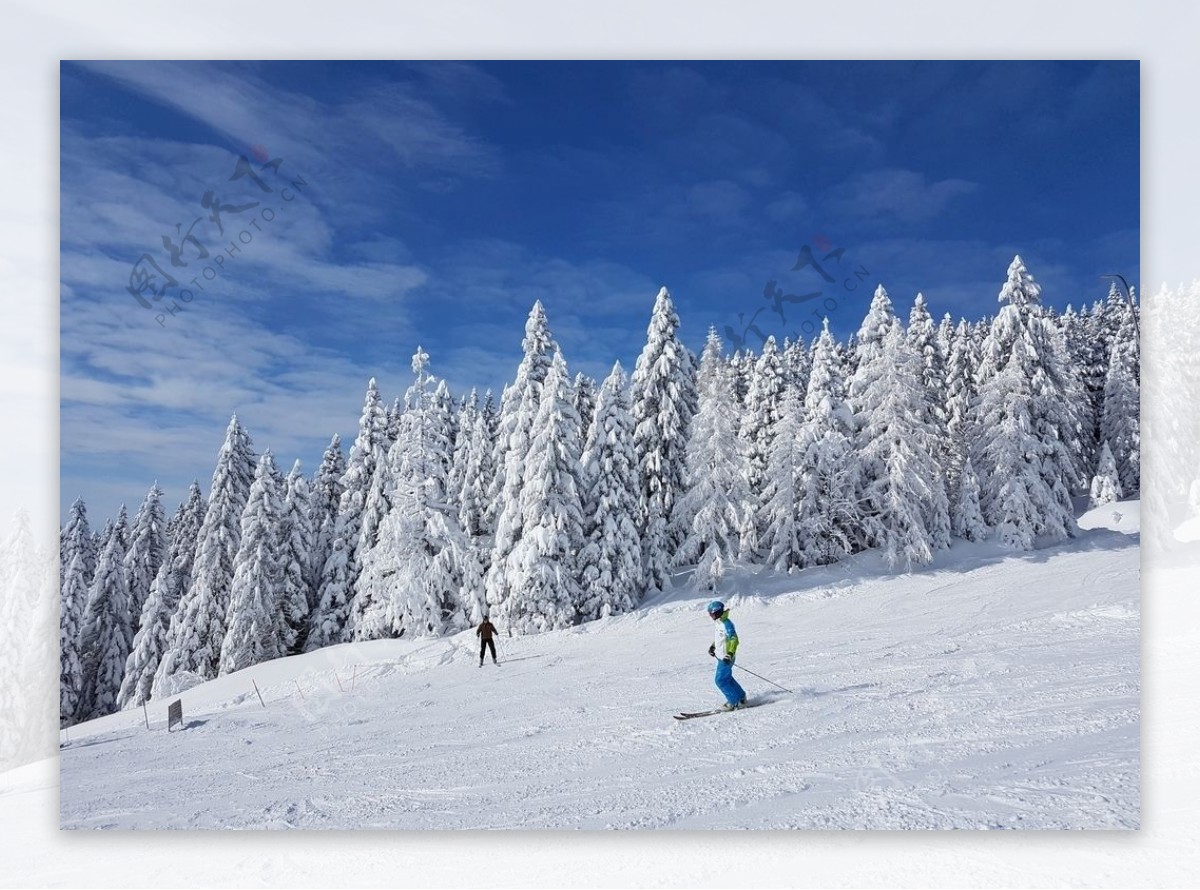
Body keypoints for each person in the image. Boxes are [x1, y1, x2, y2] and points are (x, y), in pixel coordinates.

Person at [706, 600, 747, 710]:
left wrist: (730, 653)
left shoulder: (726, 624)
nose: (710, 616)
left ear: (717, 612)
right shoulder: (719, 622)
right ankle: (741, 697)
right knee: (726, 678)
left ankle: (733, 702)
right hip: (721, 657)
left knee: (720, 681)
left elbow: (734, 639)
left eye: (712, 613)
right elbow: (721, 638)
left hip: (726, 658)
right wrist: (713, 646)